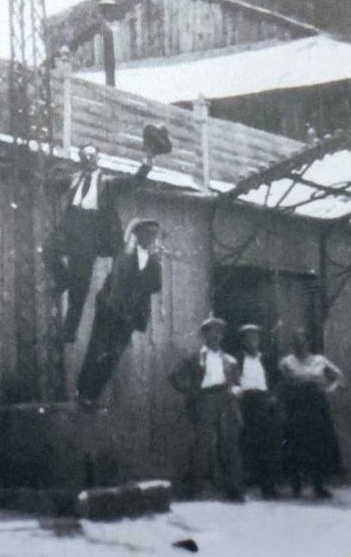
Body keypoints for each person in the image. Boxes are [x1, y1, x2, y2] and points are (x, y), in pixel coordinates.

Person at [47, 143, 153, 342]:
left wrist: (147, 162)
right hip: (71, 228)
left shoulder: (108, 183)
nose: (88, 160)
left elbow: (134, 182)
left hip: (90, 233)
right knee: (49, 249)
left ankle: (69, 331)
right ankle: (62, 279)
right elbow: (51, 181)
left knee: (80, 285)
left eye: (91, 156)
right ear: (80, 159)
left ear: (98, 158)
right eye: (84, 156)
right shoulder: (74, 179)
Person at [75, 219, 164, 409]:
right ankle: (84, 394)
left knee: (112, 357)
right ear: (138, 235)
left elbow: (155, 287)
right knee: (97, 352)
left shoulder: (152, 259)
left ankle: (93, 396)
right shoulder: (125, 252)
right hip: (110, 311)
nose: (152, 239)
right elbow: (121, 279)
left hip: (128, 317)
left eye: (154, 235)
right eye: (148, 234)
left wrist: (155, 262)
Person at [168, 316, 245, 502]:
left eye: (219, 332)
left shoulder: (230, 360)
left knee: (228, 445)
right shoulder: (194, 357)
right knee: (202, 445)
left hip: (225, 400)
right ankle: (195, 489)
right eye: (211, 331)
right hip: (204, 400)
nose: (215, 336)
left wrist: (236, 391)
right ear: (204, 335)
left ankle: (233, 490)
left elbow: (238, 382)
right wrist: (191, 392)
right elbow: (173, 376)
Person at [277, 334, 345, 499]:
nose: (301, 345)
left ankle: (318, 485)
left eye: (303, 342)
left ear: (308, 343)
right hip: (297, 407)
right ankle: (296, 486)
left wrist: (330, 389)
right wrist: (313, 379)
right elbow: (287, 380)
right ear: (293, 345)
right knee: (295, 445)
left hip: (317, 408)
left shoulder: (319, 360)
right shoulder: (287, 362)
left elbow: (339, 376)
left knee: (318, 445)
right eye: (297, 342)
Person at [233, 323, 280, 498]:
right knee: (245, 444)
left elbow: (276, 381)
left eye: (254, 337)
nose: (251, 341)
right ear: (242, 341)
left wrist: (272, 396)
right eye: (247, 337)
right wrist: (237, 393)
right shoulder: (236, 359)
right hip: (245, 402)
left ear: (259, 340)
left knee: (267, 446)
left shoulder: (266, 359)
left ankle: (268, 487)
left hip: (263, 402)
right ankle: (244, 487)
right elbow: (232, 380)